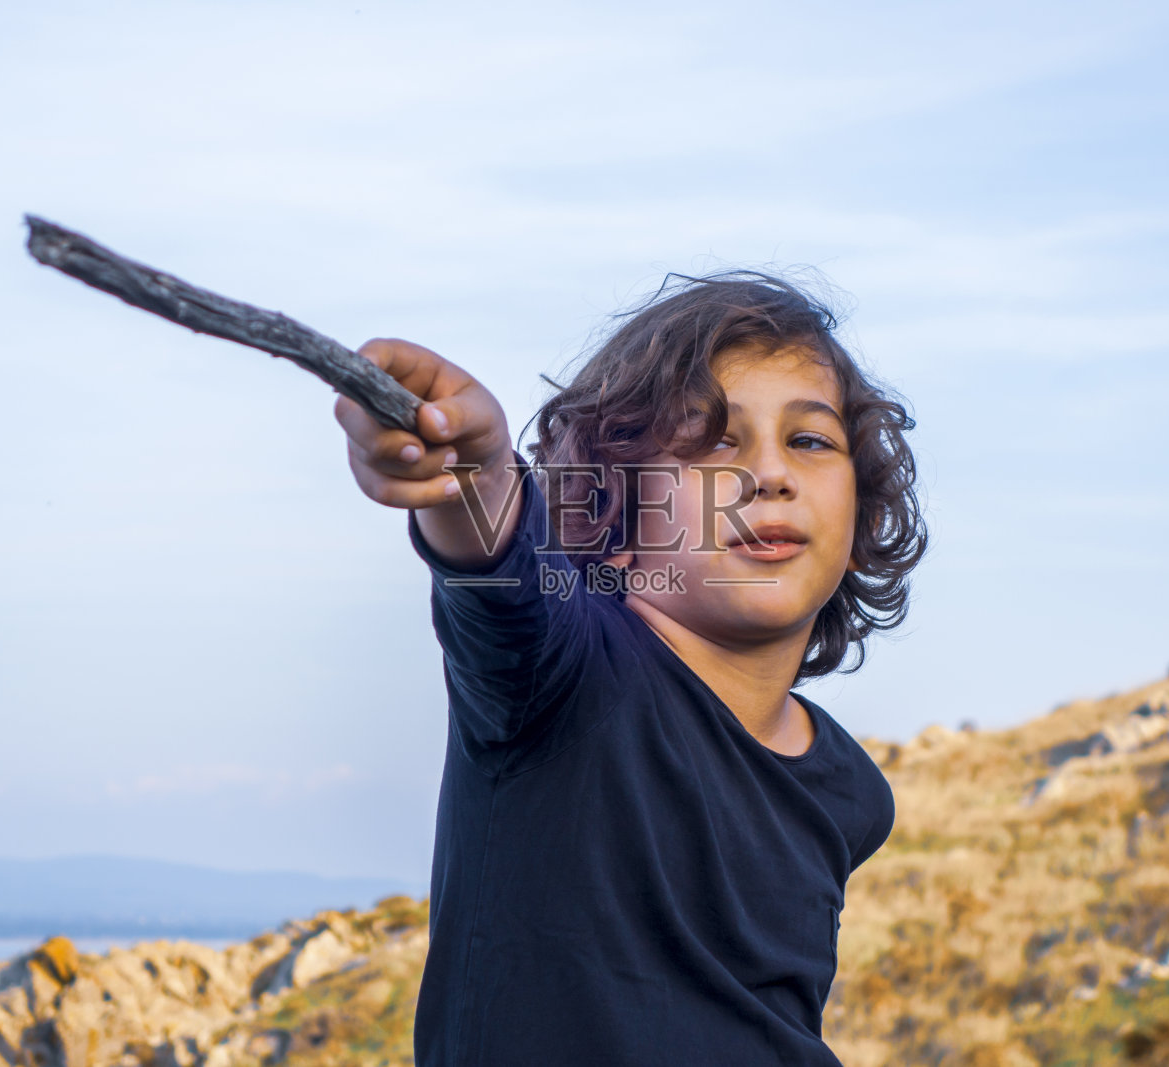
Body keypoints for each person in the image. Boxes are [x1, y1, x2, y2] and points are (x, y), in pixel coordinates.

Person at [332, 271, 927, 1066]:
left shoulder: (849, 789)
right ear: (611, 504)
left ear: (859, 518)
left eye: (810, 440)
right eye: (715, 439)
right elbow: (503, 570)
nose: (771, 473)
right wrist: (470, 472)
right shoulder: (564, 672)